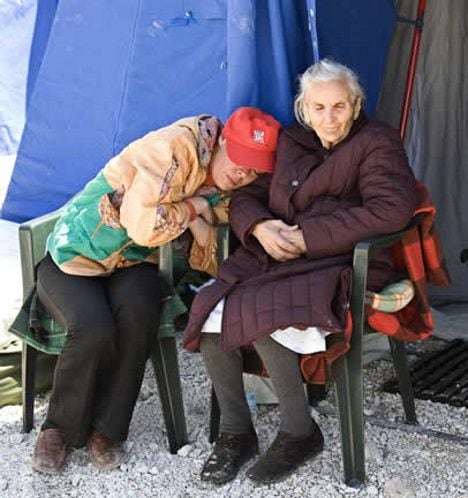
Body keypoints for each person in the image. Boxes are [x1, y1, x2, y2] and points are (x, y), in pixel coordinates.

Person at [181, 59, 420, 485]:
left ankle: (299, 432)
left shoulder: (376, 141)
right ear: (304, 109)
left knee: (263, 306)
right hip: (277, 255)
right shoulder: (290, 141)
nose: (329, 118)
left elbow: (392, 209)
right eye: (319, 108)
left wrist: (308, 237)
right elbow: (246, 195)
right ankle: (236, 432)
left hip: (343, 260)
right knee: (213, 305)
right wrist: (259, 226)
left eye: (339, 107)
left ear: (356, 104)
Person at [31, 107, 282, 474]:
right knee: (93, 328)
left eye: (255, 167)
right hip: (76, 257)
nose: (244, 172)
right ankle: (58, 430)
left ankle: (110, 431)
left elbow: (208, 258)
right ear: (222, 140)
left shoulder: (230, 185)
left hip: (135, 264)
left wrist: (213, 220)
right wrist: (196, 207)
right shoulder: (174, 148)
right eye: (241, 159)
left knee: (139, 313)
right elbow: (144, 227)